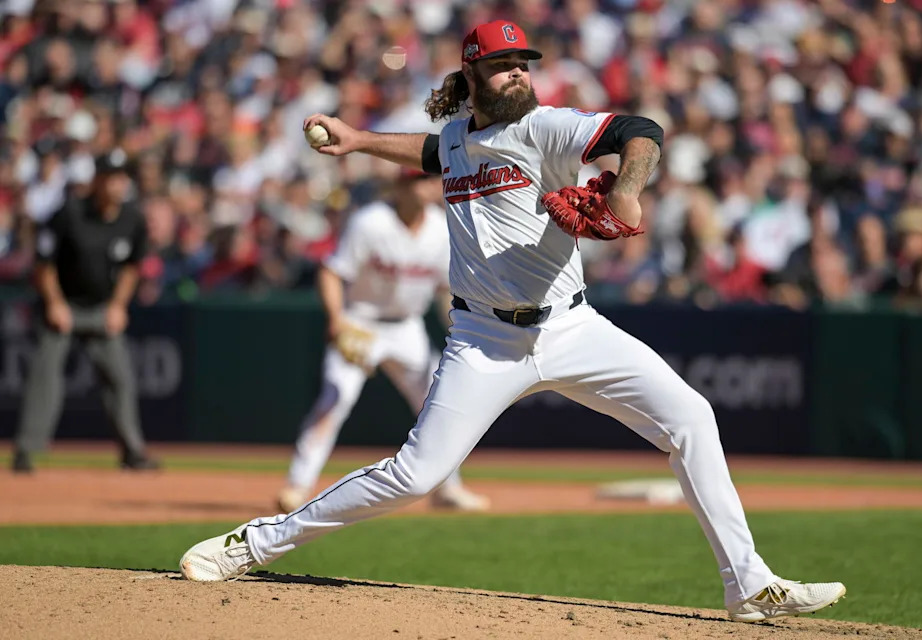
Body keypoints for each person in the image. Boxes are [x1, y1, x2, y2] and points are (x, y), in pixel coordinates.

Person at [179, 21, 845, 623]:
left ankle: (749, 585)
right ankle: (253, 542)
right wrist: (357, 141)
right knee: (418, 474)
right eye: (501, 64)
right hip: (483, 340)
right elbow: (431, 151)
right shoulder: (460, 138)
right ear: (472, 77)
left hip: (572, 328)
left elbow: (639, 131)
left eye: (522, 61)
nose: (517, 71)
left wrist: (628, 188)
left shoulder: (544, 126)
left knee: (692, 416)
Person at [276, 169, 489, 513]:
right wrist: (336, 320)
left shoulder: (440, 227)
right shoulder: (371, 222)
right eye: (420, 179)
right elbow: (331, 271)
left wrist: (461, 328)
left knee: (438, 403)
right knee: (336, 397)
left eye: (433, 179)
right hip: (360, 323)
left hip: (407, 329)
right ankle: (297, 486)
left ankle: (448, 487)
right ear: (401, 187)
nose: (430, 185)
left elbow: (444, 289)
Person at [12, 149, 159, 473]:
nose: (118, 184)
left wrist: (119, 306)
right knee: (45, 377)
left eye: (123, 178)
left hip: (101, 308)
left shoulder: (131, 218)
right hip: (63, 306)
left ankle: (132, 452)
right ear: (98, 180)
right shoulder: (70, 212)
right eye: (112, 177)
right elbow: (44, 264)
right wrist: (54, 303)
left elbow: (132, 268)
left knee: (120, 378)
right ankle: (25, 451)